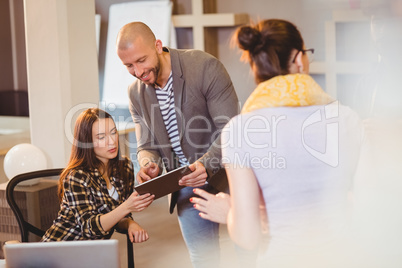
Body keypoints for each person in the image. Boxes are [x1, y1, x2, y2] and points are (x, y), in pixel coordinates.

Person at [191, 19, 363, 267]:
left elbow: (247, 238)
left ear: (254, 67)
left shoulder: (240, 132)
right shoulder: (348, 119)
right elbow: (369, 209)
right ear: (297, 59)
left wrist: (230, 211)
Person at [116, 22, 239, 267]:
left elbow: (232, 130)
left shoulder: (204, 67)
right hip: (185, 186)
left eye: (141, 60)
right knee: (204, 260)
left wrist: (205, 164)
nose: (138, 71)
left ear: (158, 46)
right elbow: (146, 144)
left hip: (231, 177)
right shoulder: (135, 93)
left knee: (246, 251)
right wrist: (148, 163)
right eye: (129, 65)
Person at [41, 108, 154, 242]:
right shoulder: (76, 176)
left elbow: (118, 217)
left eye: (114, 133)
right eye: (101, 137)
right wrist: (127, 206)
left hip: (94, 252)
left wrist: (130, 223)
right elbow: (89, 228)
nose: (111, 141)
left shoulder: (124, 167)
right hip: (61, 248)